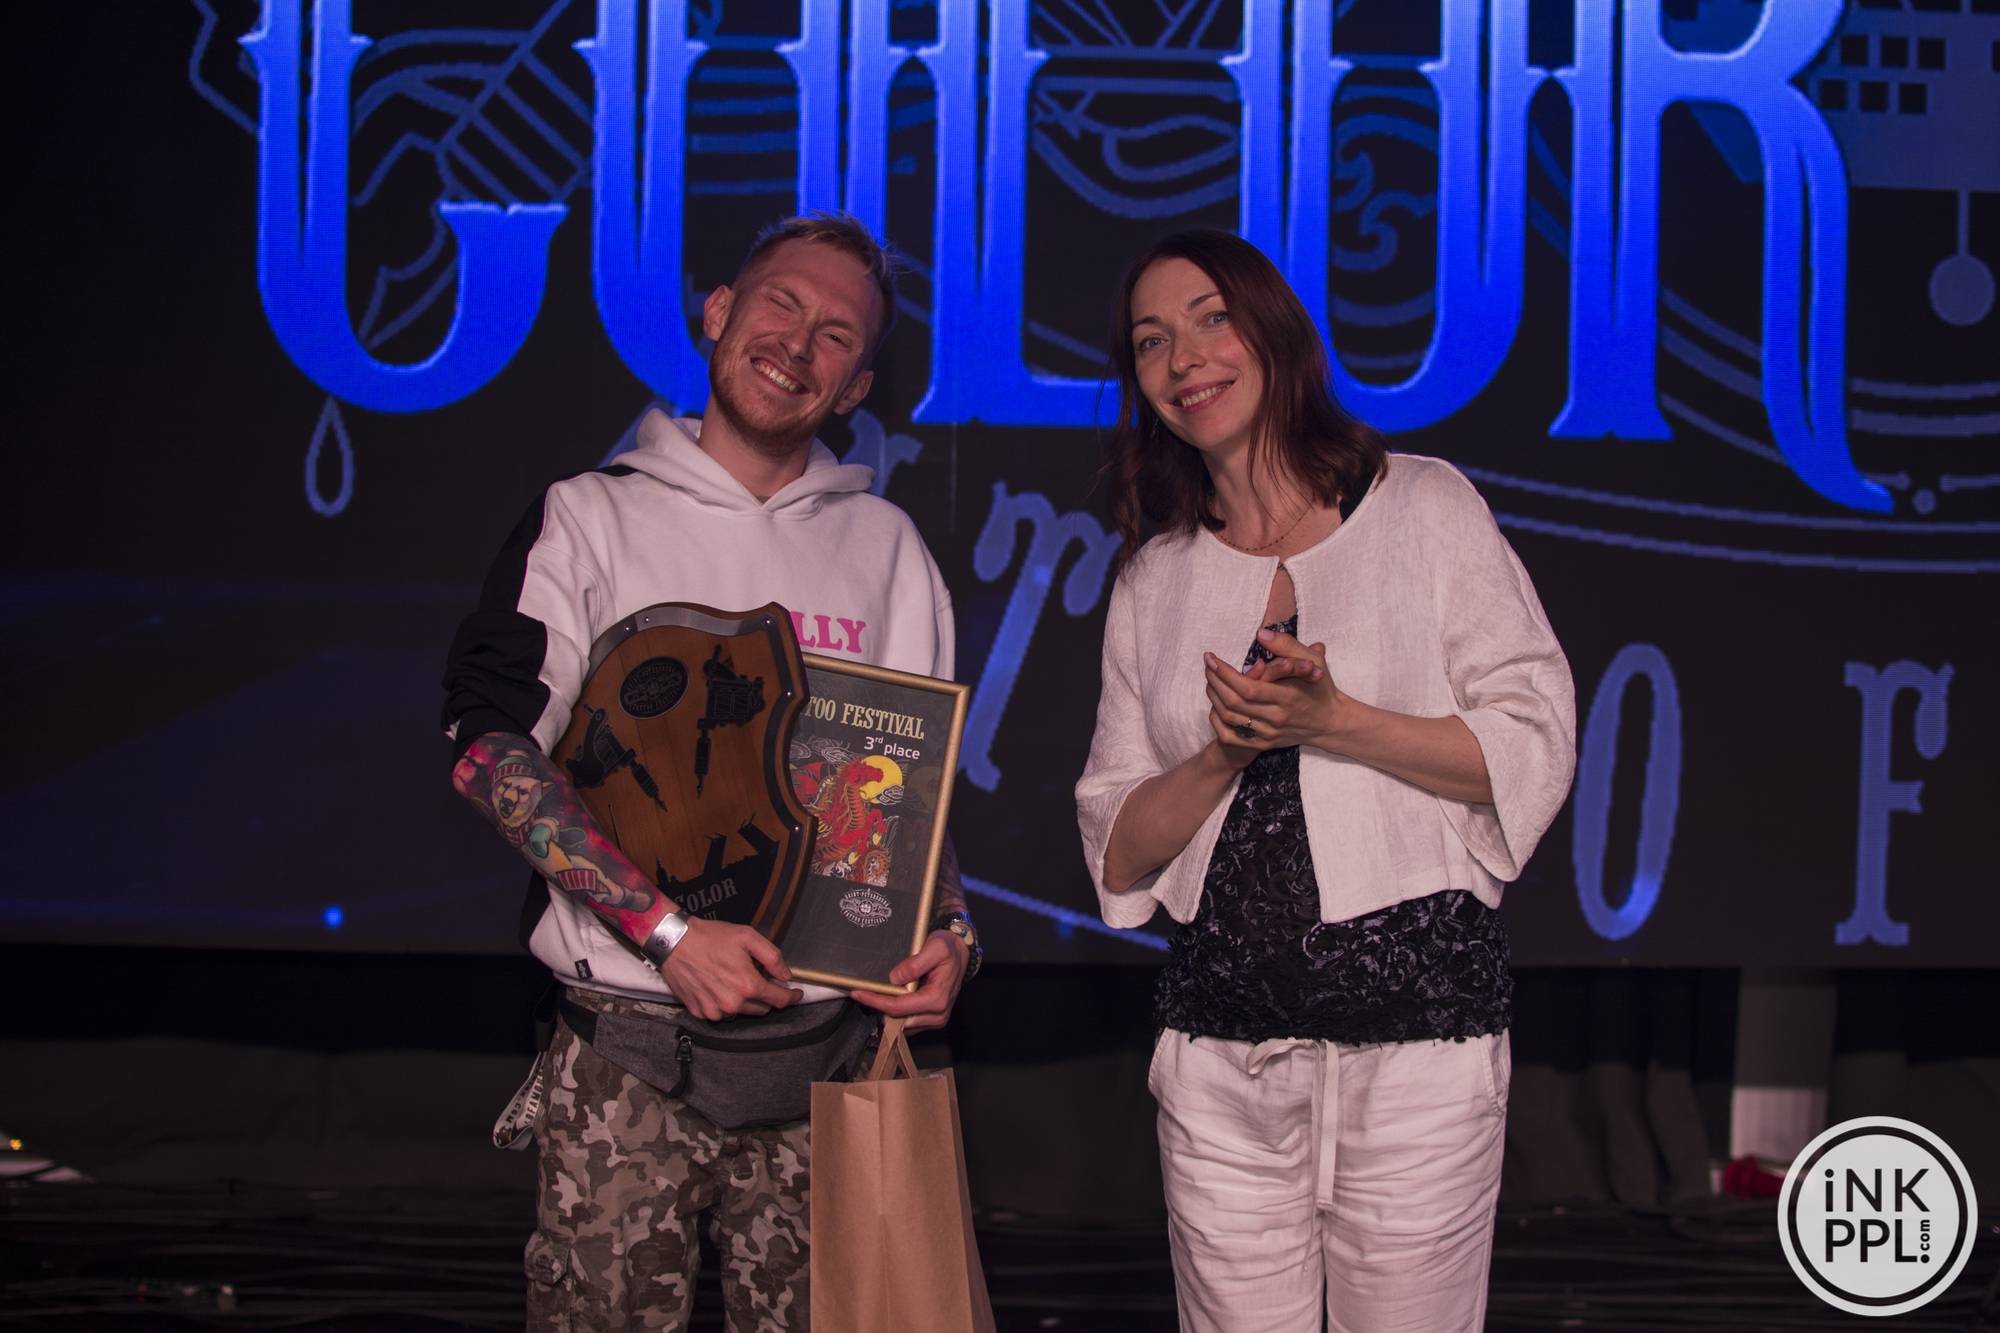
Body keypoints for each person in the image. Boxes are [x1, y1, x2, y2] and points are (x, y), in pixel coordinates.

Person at [442, 213, 982, 1331]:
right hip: (627, 1052)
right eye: (780, 301)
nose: (797, 341)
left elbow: (907, 796)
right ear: (719, 312)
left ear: (855, 385)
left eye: (836, 333)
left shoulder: (887, 548)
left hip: (825, 1072)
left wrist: (952, 933)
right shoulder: (589, 516)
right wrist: (667, 934)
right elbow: (488, 753)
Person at [1075, 229, 1575, 1332]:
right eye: (1150, 341)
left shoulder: (1424, 507)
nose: (1183, 358)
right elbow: (1117, 840)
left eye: (1211, 318)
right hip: (1221, 1068)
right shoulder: (1155, 578)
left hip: (1418, 1059)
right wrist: (1226, 749)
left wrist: (1334, 720)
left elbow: (1532, 739)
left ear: (1273, 332)